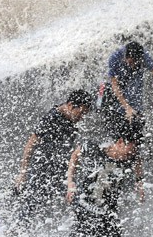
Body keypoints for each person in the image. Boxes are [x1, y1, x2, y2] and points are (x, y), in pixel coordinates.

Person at [14, 89, 94, 221]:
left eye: (84, 115)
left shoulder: (71, 119)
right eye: (80, 113)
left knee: (76, 199)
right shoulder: (51, 118)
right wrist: (23, 173)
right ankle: (15, 235)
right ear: (70, 105)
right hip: (42, 170)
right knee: (30, 206)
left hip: (60, 170)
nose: (81, 118)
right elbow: (30, 144)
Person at [66, 118, 143, 237]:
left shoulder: (130, 156)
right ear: (119, 142)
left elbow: (137, 161)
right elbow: (75, 153)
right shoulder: (95, 148)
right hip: (85, 203)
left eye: (133, 152)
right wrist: (70, 183)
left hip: (108, 210)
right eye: (129, 152)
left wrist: (139, 183)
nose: (131, 155)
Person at [102, 41, 153, 138]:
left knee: (138, 127)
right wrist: (127, 107)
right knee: (116, 127)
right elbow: (114, 85)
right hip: (112, 94)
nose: (133, 65)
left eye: (136, 62)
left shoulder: (143, 55)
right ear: (125, 57)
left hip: (133, 94)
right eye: (131, 62)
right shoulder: (114, 58)